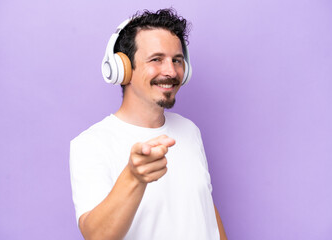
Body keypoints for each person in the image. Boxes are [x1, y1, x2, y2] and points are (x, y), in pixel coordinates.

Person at [70, 8, 227, 240]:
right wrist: (134, 177)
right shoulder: (91, 144)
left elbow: (205, 209)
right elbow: (96, 235)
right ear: (122, 68)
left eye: (177, 60)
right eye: (156, 59)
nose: (171, 71)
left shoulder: (189, 130)